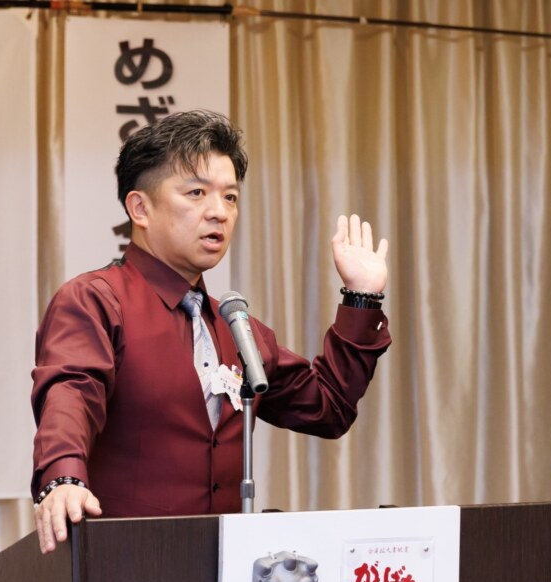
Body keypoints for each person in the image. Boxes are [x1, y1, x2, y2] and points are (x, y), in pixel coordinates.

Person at [31, 110, 390, 554]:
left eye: (231, 197)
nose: (219, 212)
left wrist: (361, 299)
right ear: (140, 208)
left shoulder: (236, 328)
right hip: (125, 566)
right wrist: (63, 476)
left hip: (228, 570)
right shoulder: (97, 301)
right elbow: (70, 391)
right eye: (196, 193)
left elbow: (328, 407)